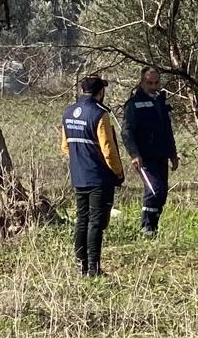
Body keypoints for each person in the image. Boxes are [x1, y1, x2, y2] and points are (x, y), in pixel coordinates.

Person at [62, 75, 125, 277]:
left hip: (78, 176)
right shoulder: (100, 114)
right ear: (100, 92)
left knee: (82, 220)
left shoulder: (68, 112)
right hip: (99, 177)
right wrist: (117, 171)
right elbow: (108, 148)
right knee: (96, 223)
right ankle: (93, 269)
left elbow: (65, 147)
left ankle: (80, 266)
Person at [120, 66, 179, 237]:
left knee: (162, 194)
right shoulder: (133, 104)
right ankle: (147, 229)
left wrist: (173, 154)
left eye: (156, 82)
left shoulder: (160, 101)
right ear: (142, 82)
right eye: (149, 83)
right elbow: (126, 132)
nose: (153, 86)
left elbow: (167, 130)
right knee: (154, 190)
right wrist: (134, 154)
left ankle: (153, 228)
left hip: (161, 155)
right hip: (144, 158)